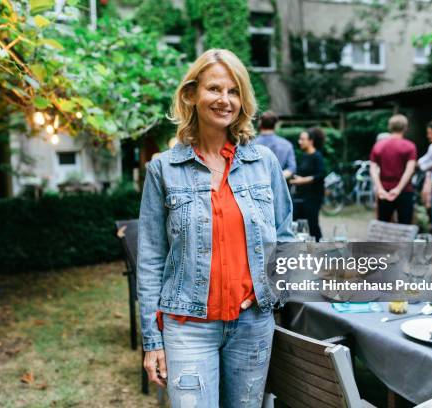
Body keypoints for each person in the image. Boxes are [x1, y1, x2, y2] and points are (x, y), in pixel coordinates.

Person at [137, 49, 294, 408]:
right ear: (191, 94)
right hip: (187, 326)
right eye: (214, 89)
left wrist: (270, 293)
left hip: (252, 325)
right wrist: (152, 341)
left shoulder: (264, 162)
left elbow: (285, 239)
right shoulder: (163, 169)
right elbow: (150, 260)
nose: (225, 100)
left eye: (234, 91)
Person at [369, 114, 417, 224]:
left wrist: (380, 189)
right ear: (405, 127)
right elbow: (409, 170)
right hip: (405, 191)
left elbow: (373, 169)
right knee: (405, 227)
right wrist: (398, 189)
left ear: (389, 127)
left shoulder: (379, 145)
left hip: (384, 192)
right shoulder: (410, 146)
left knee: (383, 225)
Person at [289, 128, 325, 241]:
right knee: (298, 224)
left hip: (313, 197)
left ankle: (319, 248)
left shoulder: (317, 156)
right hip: (301, 197)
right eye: (300, 139)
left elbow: (320, 175)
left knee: (312, 224)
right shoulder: (303, 156)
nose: (300, 141)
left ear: (311, 141)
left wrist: (302, 180)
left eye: (302, 139)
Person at [254, 111, 297, 179]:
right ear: (276, 125)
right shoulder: (287, 144)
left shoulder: (250, 144)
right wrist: (276, 178)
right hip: (278, 186)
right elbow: (291, 168)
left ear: (260, 123)